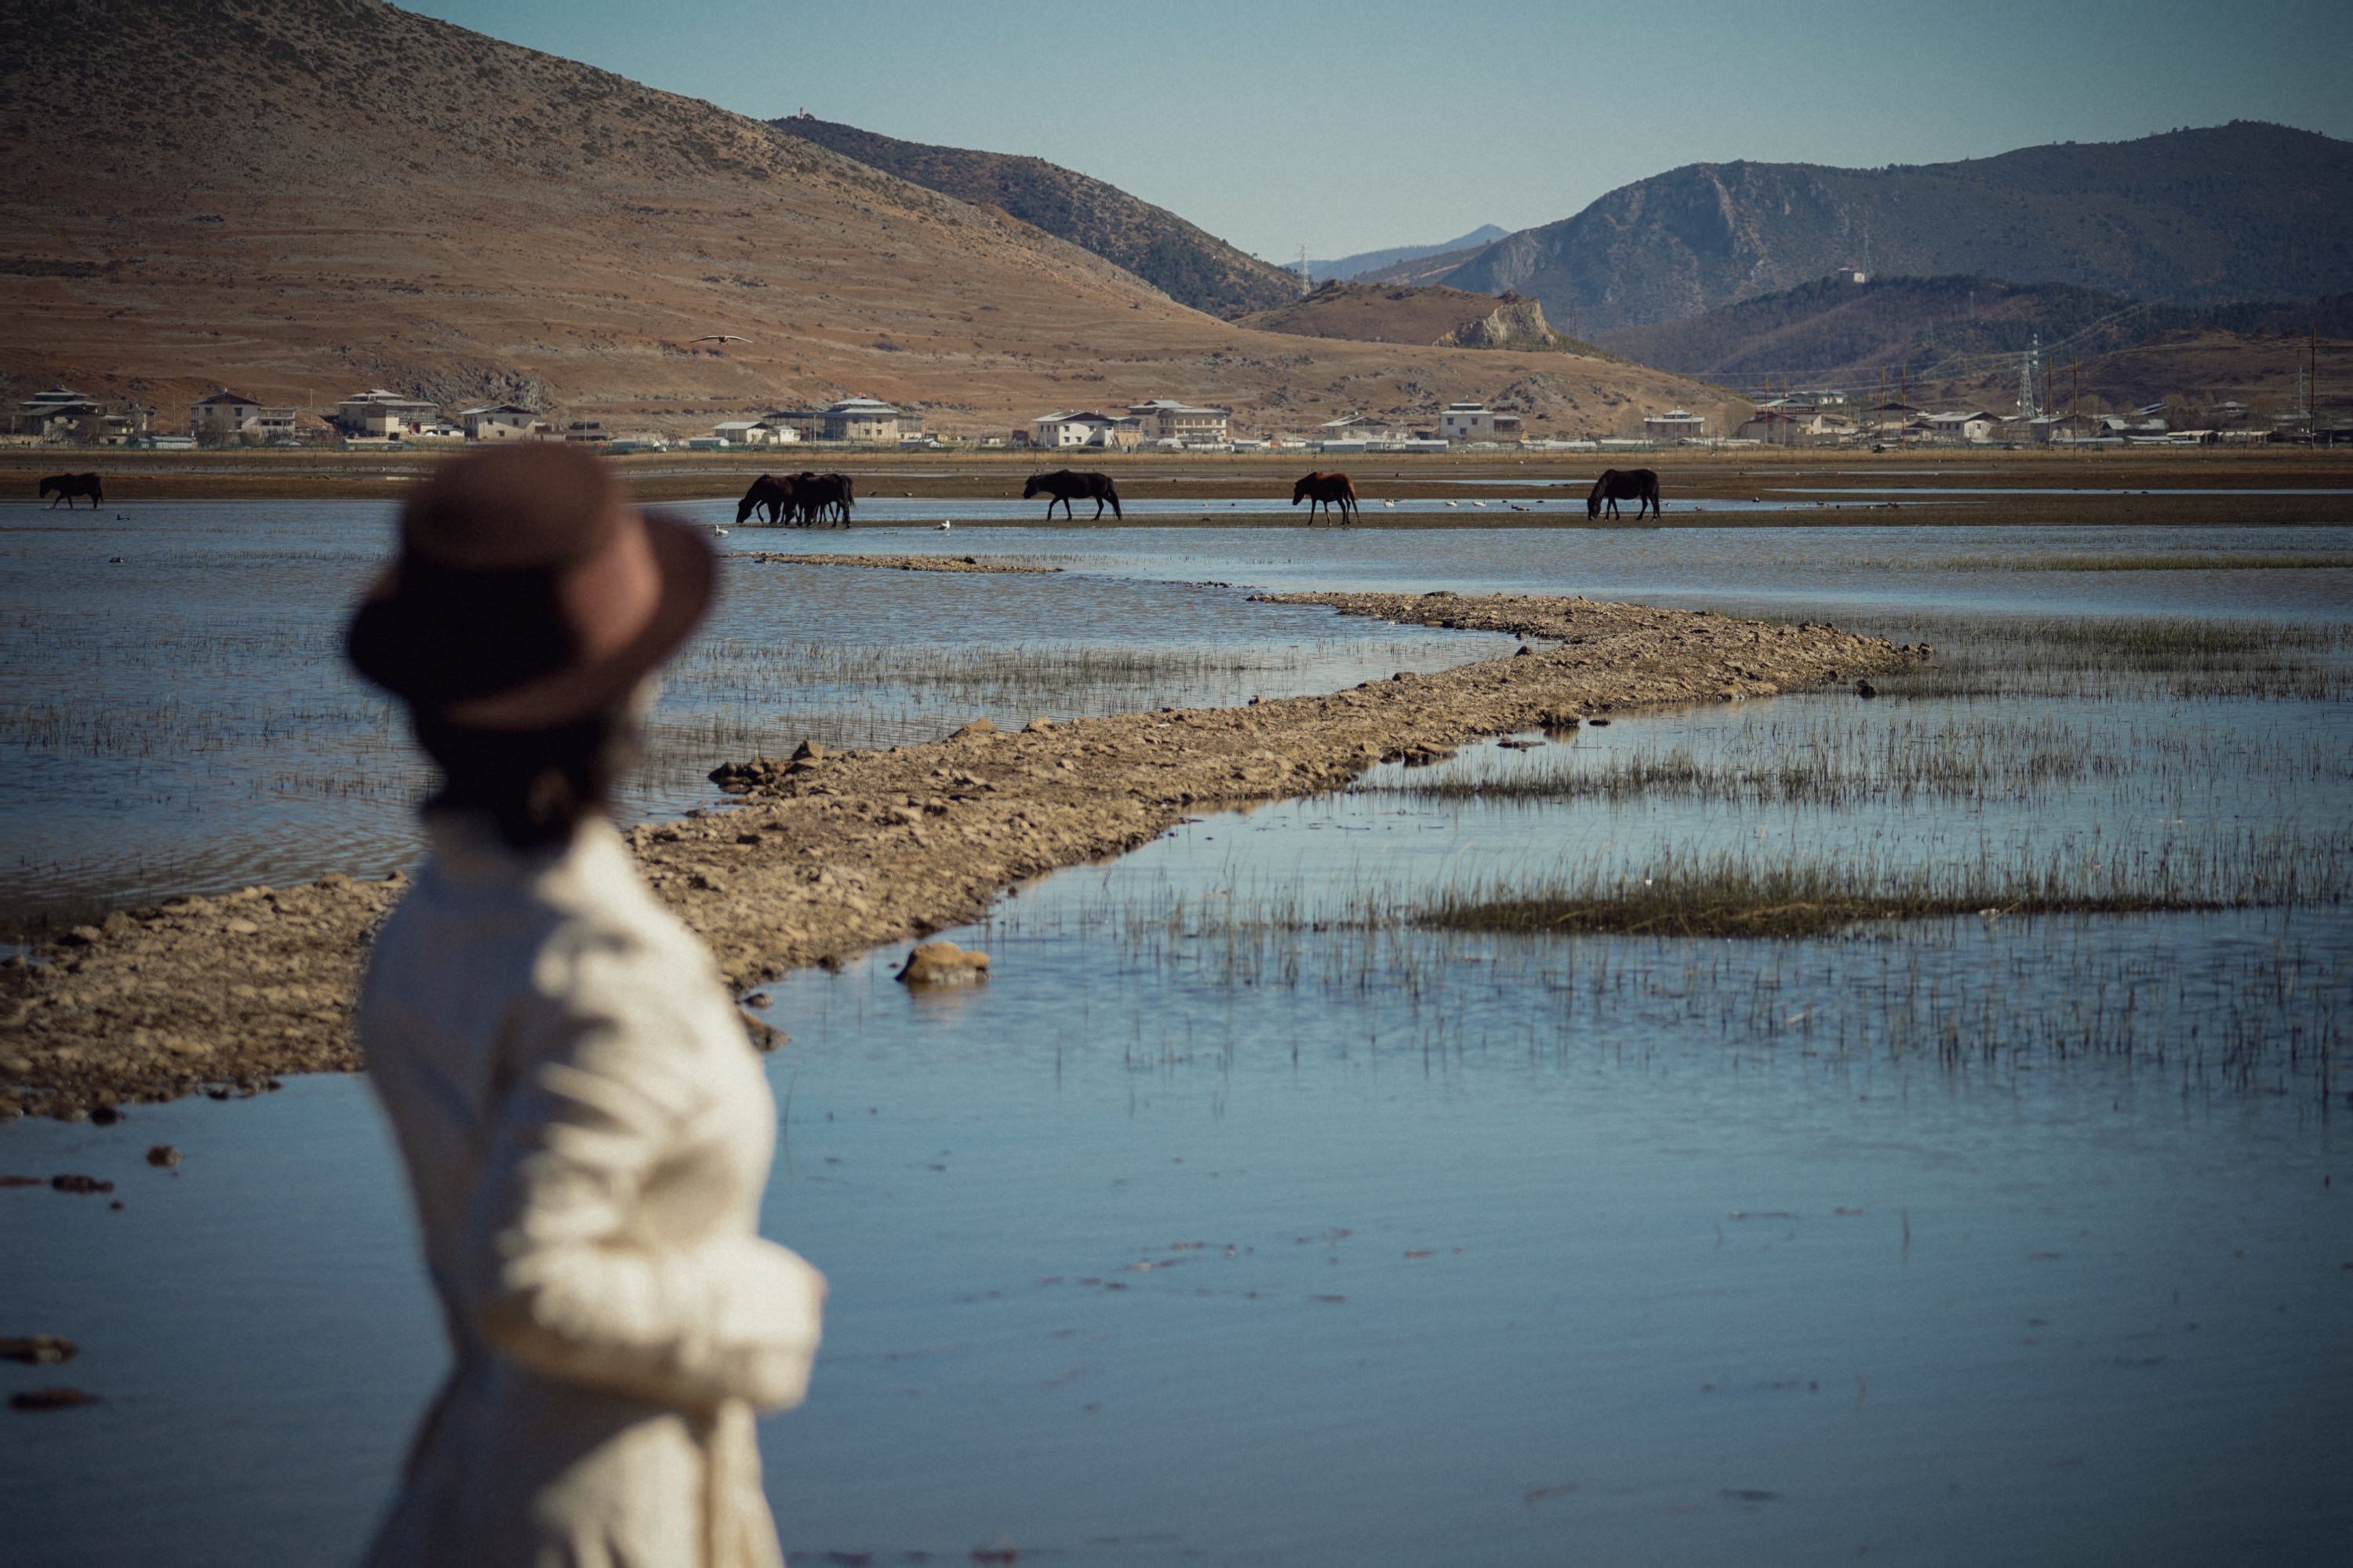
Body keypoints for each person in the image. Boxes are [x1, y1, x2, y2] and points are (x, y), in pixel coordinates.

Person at [345, 445, 825, 1567]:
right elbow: (531, 1282)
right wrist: (767, 1310)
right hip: (607, 1515)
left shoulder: (426, 925)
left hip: (472, 1473)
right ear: (630, 687)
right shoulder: (610, 971)